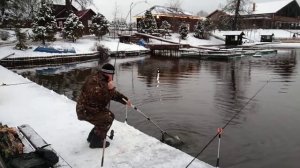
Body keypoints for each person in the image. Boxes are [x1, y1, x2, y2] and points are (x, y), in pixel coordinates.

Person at [76, 63, 131, 148]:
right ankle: (96, 142)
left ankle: (92, 137)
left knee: (109, 115)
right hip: (84, 110)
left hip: (93, 108)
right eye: (112, 75)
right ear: (108, 74)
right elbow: (100, 98)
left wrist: (125, 100)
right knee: (107, 118)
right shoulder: (93, 81)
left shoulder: (103, 80)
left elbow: (113, 95)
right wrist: (110, 89)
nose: (113, 77)